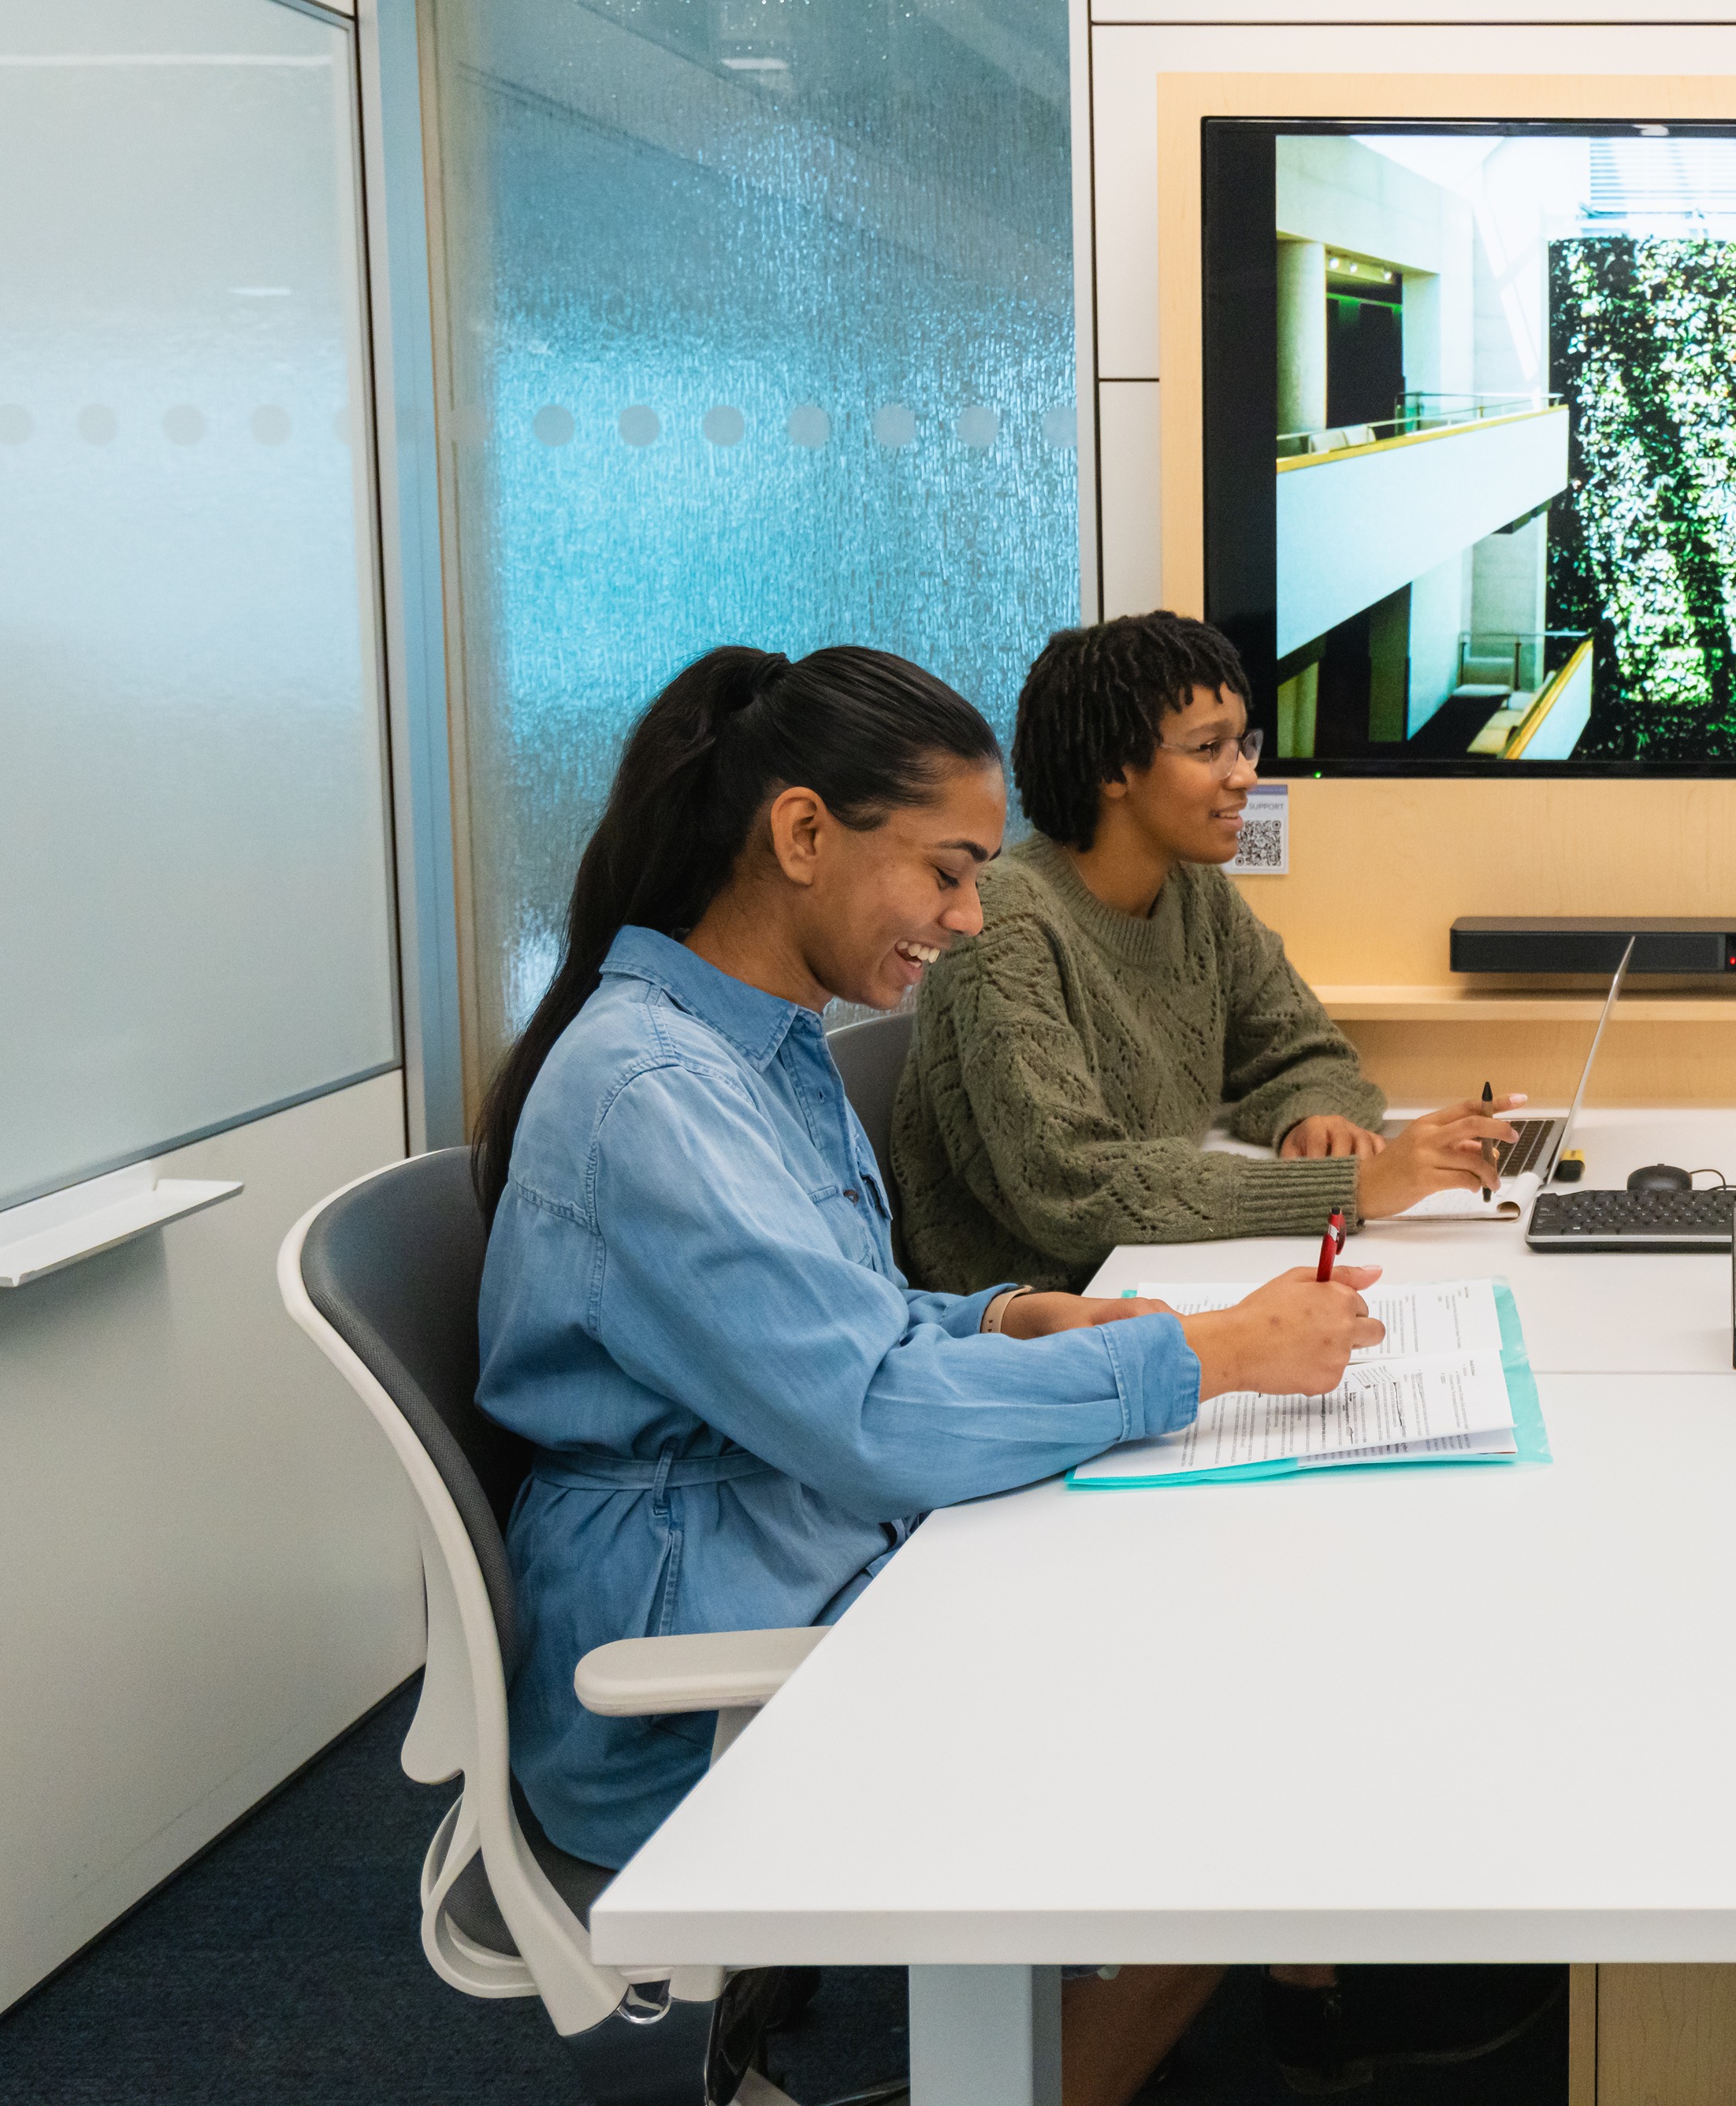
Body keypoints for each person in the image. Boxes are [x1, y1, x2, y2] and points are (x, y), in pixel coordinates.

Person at [474, 644, 1382, 2106]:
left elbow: (857, 1333)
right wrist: (1202, 1351)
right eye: (948, 872)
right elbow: (868, 1416)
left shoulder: (757, 1049)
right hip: (694, 1678)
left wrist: (1009, 1317)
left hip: (795, 1552)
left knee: (1229, 1658)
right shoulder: (653, 1093)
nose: (968, 918)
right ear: (801, 834)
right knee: (1236, 1772)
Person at [891, 611, 1513, 1294]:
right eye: (1207, 748)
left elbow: (1306, 1048)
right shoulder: (1003, 924)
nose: (1244, 774)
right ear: (1110, 767)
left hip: (1162, 1270)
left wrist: (1309, 1114)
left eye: (1242, 743)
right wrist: (1354, 1184)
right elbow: (1071, 1186)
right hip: (1041, 1318)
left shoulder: (1195, 892)